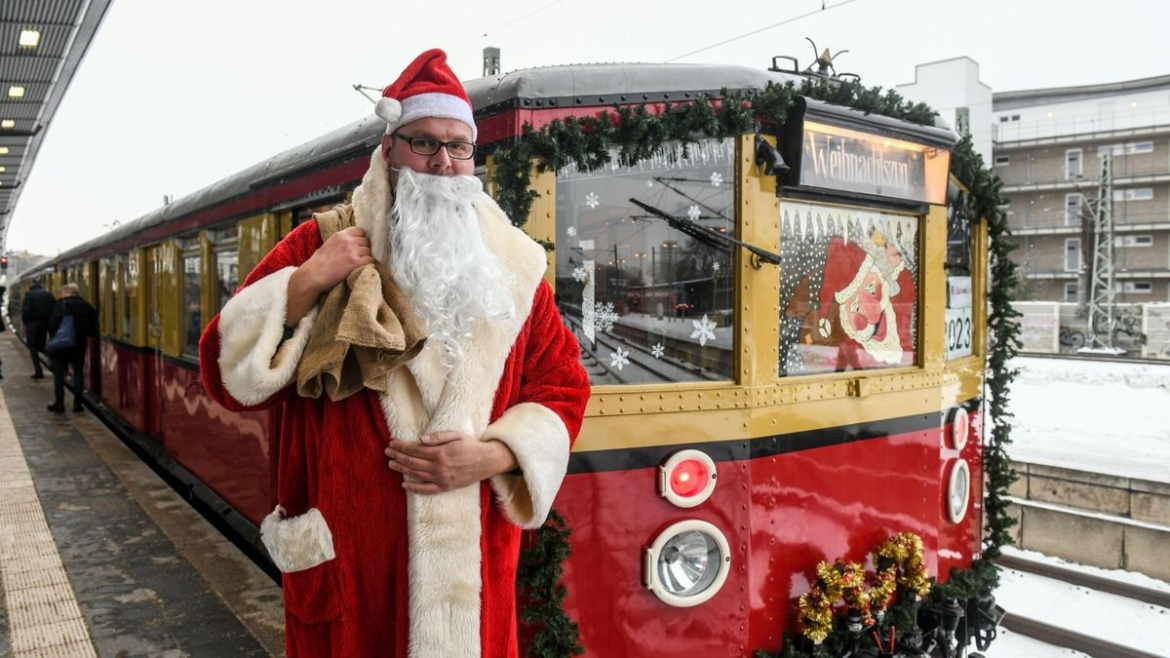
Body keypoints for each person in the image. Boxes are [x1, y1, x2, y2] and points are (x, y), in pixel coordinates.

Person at [199, 49, 590, 657]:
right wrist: (309, 281)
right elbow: (225, 376)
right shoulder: (321, 242)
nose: (443, 162)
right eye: (424, 143)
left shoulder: (513, 267)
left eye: (459, 146)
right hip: (354, 575)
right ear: (389, 149)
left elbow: (562, 386)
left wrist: (491, 457)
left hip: (470, 578)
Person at [46, 283, 97, 413]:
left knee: (59, 374)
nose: (60, 296)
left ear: (66, 293)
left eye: (61, 293)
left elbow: (52, 325)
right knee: (78, 374)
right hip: (79, 345)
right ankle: (77, 404)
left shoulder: (61, 305)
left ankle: (59, 404)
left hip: (61, 345)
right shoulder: (87, 306)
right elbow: (93, 328)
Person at [21, 280, 55, 379]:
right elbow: (54, 308)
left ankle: (38, 371)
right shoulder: (49, 295)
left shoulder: (29, 295)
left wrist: (26, 322)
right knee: (43, 346)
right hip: (46, 323)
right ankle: (53, 364)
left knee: (33, 348)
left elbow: (25, 311)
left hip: (32, 325)